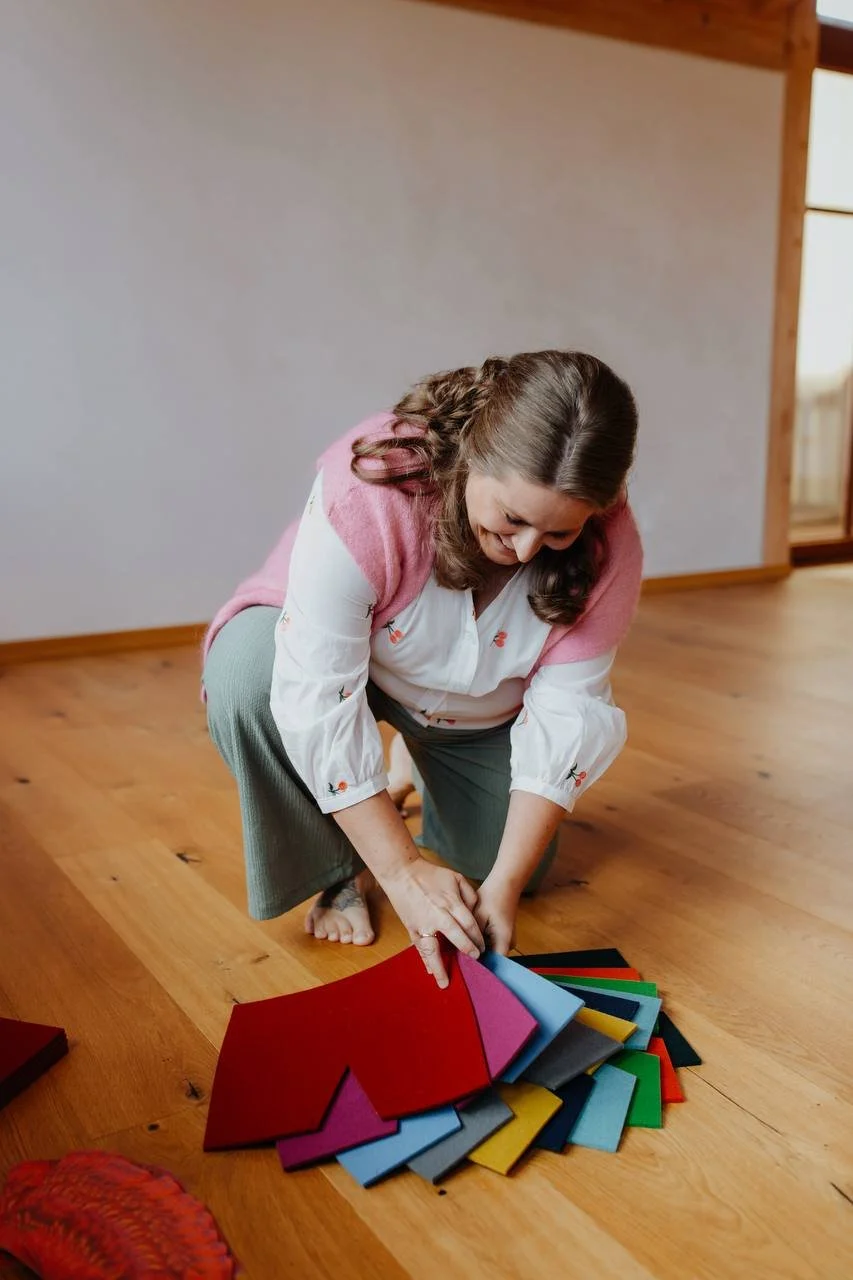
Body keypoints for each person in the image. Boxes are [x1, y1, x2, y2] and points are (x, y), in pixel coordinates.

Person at [203, 350, 642, 987]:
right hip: (357, 670)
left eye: (557, 535)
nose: (524, 551)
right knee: (249, 676)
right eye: (512, 518)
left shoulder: (611, 544)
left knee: (509, 864)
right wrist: (401, 870)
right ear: (472, 457)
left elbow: (570, 711)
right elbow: (316, 695)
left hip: (477, 710)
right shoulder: (373, 488)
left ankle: (410, 762)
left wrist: (505, 886)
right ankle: (338, 867)